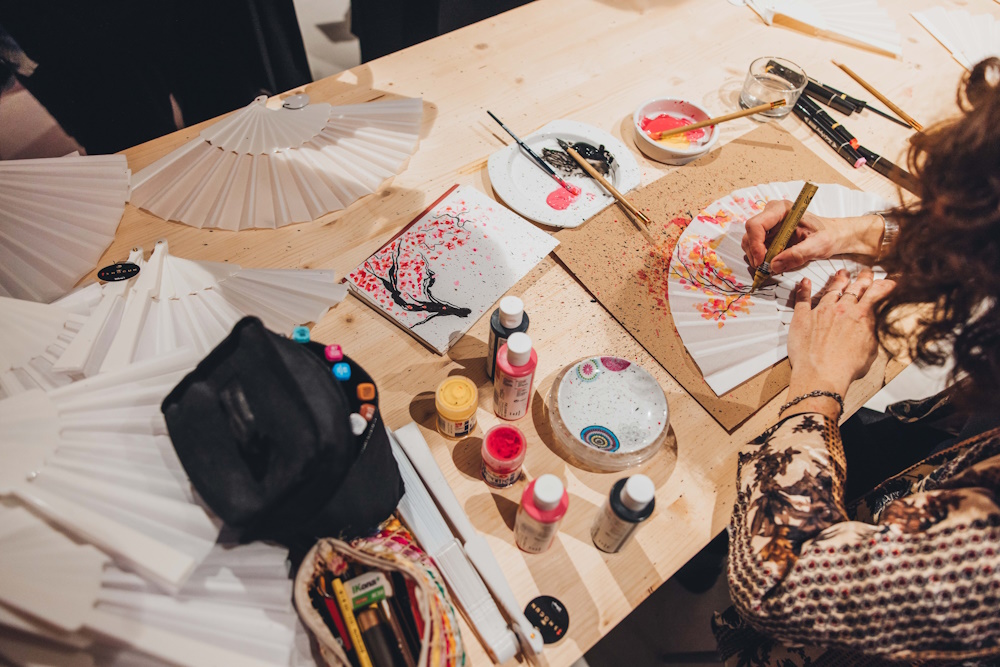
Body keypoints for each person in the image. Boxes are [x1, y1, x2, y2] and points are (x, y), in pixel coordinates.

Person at [714, 57, 1000, 666]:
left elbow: (778, 583)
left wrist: (817, 386)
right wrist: (858, 234)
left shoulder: (987, 551)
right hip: (934, 452)